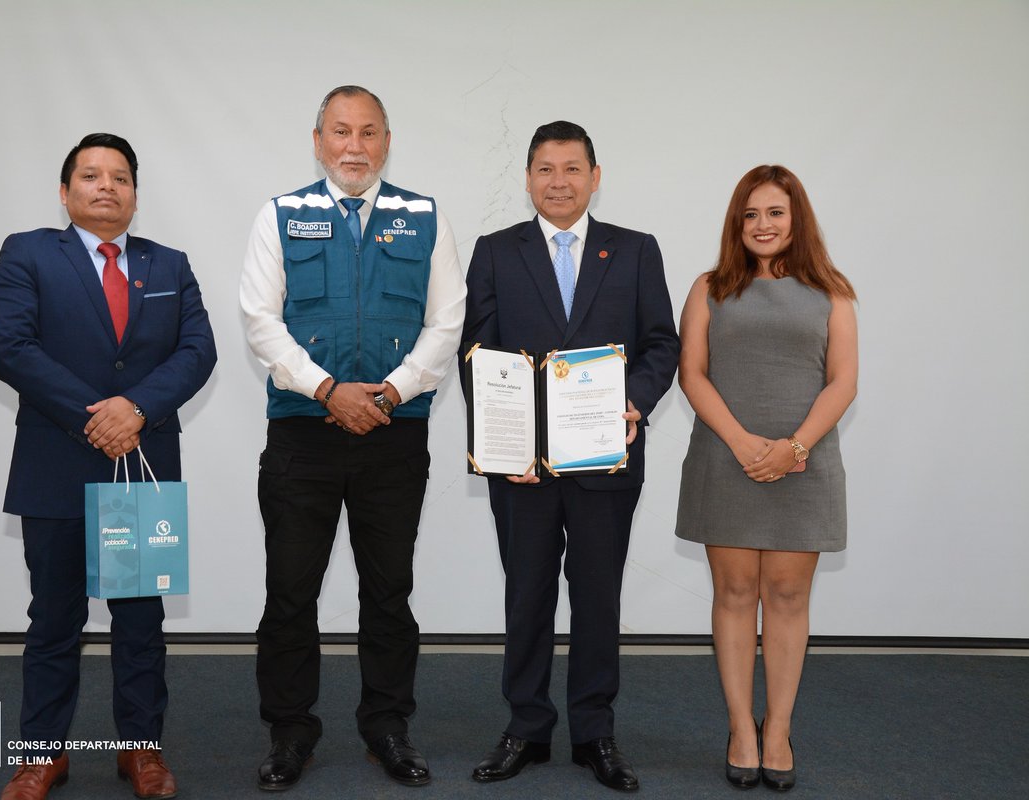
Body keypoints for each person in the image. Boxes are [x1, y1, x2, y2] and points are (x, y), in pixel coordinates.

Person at [239, 85, 466, 791]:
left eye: (369, 132)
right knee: (290, 592)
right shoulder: (281, 216)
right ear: (317, 141)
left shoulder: (423, 217)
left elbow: (447, 319)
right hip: (303, 436)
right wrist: (328, 391)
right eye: (341, 131)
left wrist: (393, 392)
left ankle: (387, 726)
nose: (354, 146)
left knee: (388, 590)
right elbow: (259, 319)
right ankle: (289, 732)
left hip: (393, 436)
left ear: (386, 142)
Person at [0, 133, 217, 800]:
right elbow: (11, 347)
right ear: (66, 192)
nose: (106, 186)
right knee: (53, 619)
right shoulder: (28, 253)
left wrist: (136, 409)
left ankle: (141, 750)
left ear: (135, 195)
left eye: (119, 177)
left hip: (139, 472)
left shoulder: (168, 265)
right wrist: (99, 416)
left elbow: (197, 351)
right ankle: (41, 755)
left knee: (140, 621)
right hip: (57, 464)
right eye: (90, 175)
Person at [461, 121, 680, 793]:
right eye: (546, 169)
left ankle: (594, 732)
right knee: (525, 597)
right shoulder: (495, 251)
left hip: (604, 463)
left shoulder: (635, 251)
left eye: (572, 168)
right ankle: (526, 727)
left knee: (596, 599)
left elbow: (660, 346)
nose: (559, 181)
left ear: (595, 175)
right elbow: (477, 354)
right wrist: (504, 443)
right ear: (528, 178)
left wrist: (635, 403)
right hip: (522, 469)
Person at [675, 165, 858, 791]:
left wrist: (794, 447)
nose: (762, 225)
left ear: (796, 218)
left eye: (775, 212)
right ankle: (741, 729)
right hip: (726, 458)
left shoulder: (832, 290)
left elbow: (843, 381)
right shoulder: (709, 288)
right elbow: (692, 374)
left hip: (803, 464)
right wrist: (746, 443)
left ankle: (777, 729)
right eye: (750, 214)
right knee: (732, 595)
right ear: (736, 222)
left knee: (786, 596)